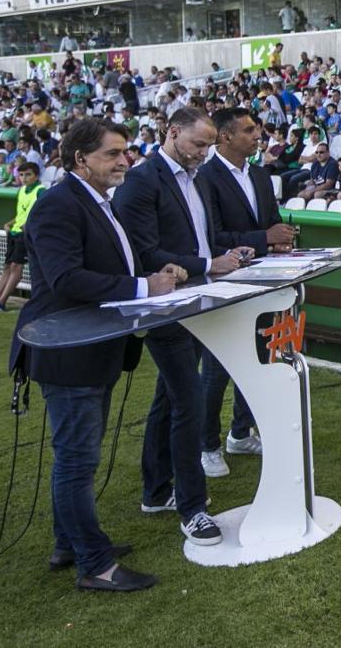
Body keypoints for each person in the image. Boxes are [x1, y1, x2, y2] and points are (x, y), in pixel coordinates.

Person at [10, 118, 182, 592]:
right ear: (80, 159)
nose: (125, 160)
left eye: (126, 152)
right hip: (69, 353)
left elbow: (113, 264)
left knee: (76, 456)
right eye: (113, 153)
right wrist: (145, 286)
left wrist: (155, 271)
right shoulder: (56, 206)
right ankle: (95, 564)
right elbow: (66, 280)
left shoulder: (98, 203)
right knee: (76, 461)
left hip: (95, 349)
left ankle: (68, 543)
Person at [113, 107, 248, 548]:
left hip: (196, 299)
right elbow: (144, 251)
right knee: (187, 401)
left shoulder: (197, 177)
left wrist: (231, 251)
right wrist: (210, 263)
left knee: (169, 398)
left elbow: (203, 238)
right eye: (198, 144)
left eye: (209, 145)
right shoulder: (142, 179)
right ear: (172, 133)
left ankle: (156, 492)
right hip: (167, 305)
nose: (204, 153)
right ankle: (193, 508)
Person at [197, 108, 296, 478]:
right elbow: (211, 237)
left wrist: (279, 239)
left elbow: (269, 223)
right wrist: (264, 238)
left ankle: (240, 432)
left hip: (262, 282)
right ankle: (206, 445)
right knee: (217, 369)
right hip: (223, 285)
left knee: (258, 358)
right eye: (249, 130)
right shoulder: (204, 178)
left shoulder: (259, 174)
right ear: (225, 136)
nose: (258, 135)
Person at [0, 162, 45, 313]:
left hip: (25, 234)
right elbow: (21, 214)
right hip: (14, 232)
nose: (24, 178)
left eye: (28, 174)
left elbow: (43, 213)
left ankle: (1, 302)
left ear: (36, 176)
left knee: (16, 266)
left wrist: (29, 225)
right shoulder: (22, 190)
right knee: (6, 266)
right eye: (22, 175)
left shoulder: (41, 191)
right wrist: (10, 223)